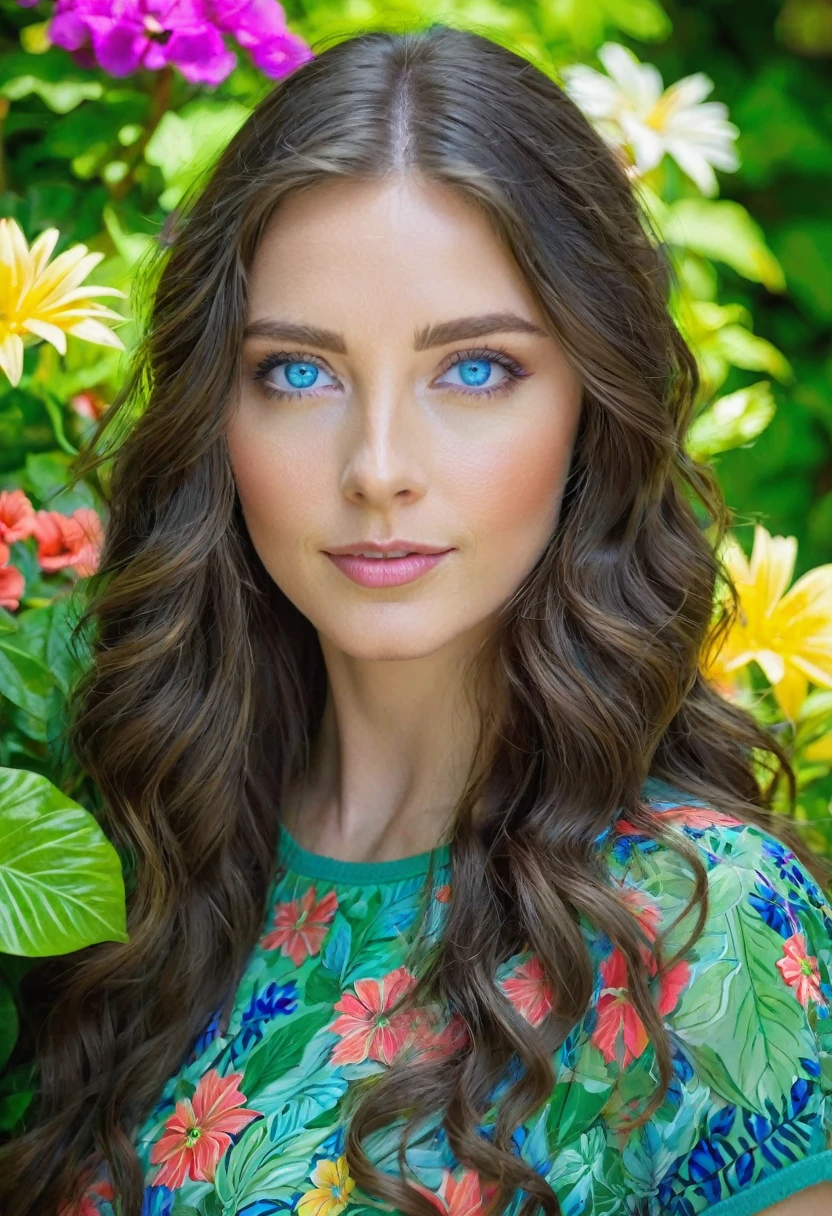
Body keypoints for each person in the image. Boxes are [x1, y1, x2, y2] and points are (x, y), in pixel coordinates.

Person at [1, 21, 830, 1216]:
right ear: (215, 417)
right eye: (298, 371)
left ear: (592, 409)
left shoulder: (704, 926)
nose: (377, 466)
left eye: (475, 369)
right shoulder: (147, 863)